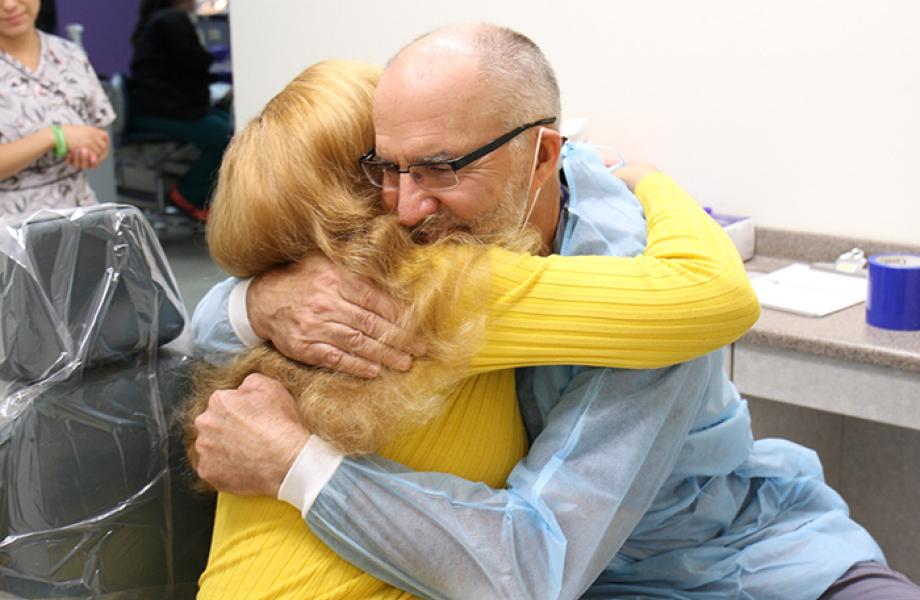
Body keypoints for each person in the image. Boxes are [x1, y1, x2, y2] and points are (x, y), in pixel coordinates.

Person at [192, 24, 919, 599]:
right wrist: (259, 302)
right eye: (389, 169)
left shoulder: (628, 289)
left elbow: (534, 566)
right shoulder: (417, 258)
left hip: (731, 561)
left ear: (543, 157)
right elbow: (196, 335)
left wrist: (295, 462)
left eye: (444, 168)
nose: (408, 210)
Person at [0, 0, 113, 217]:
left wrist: (89, 151)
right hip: (9, 232)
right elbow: (61, 135)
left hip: (78, 215)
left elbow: (99, 136)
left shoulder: (69, 54)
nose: (10, 5)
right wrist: (53, 136)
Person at [128, 0, 230, 222]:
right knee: (222, 134)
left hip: (162, 106)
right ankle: (188, 194)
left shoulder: (159, 20)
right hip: (160, 110)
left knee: (225, 122)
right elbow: (193, 63)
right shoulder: (172, 20)